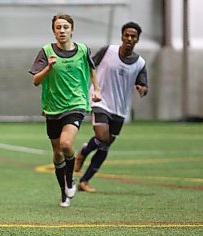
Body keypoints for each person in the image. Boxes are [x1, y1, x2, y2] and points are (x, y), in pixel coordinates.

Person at [29, 13, 101, 208]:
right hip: (52, 108)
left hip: (76, 104)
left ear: (72, 30)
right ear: (53, 31)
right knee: (57, 153)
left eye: (65, 27)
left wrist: (97, 90)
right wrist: (48, 68)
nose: (62, 31)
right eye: (58, 27)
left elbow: (92, 69)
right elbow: (36, 81)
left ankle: (70, 180)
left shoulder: (83, 50)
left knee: (66, 144)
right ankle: (63, 192)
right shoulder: (46, 52)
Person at [74, 22, 148, 193]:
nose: (129, 38)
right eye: (127, 35)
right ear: (122, 36)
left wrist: (142, 89)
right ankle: (83, 153)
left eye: (133, 36)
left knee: (105, 145)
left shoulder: (140, 63)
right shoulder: (108, 51)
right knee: (102, 136)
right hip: (100, 100)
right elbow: (90, 65)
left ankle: (84, 181)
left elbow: (143, 84)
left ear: (137, 39)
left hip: (120, 109)